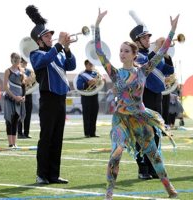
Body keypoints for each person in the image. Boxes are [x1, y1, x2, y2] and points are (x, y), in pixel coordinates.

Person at [95, 9, 179, 199]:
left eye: (126, 51)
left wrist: (172, 30)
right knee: (116, 151)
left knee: (154, 154)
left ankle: (168, 187)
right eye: (120, 51)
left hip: (140, 117)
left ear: (134, 54)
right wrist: (97, 25)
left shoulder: (143, 70)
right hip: (121, 119)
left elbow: (162, 51)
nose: (121, 54)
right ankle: (109, 192)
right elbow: (99, 51)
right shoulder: (114, 73)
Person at [26, 5, 76, 184]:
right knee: (46, 137)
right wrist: (59, 46)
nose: (50, 37)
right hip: (48, 98)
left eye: (50, 35)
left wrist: (67, 49)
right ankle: (42, 174)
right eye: (47, 36)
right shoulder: (36, 54)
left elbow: (71, 66)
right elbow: (45, 60)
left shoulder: (59, 53)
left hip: (61, 99)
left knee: (57, 137)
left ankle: (54, 174)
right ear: (39, 40)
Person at [129, 17, 175, 179]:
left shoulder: (152, 54)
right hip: (143, 97)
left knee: (155, 133)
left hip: (156, 96)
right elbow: (146, 66)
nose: (149, 39)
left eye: (149, 37)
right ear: (137, 41)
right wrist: (159, 49)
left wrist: (167, 54)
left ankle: (153, 167)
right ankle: (143, 169)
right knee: (143, 133)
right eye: (145, 37)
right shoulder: (137, 56)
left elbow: (168, 70)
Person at [3, 52, 26, 148]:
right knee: (9, 120)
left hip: (19, 99)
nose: (17, 61)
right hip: (10, 98)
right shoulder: (7, 71)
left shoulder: (21, 71)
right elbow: (5, 87)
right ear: (11, 60)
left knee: (16, 120)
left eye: (18, 59)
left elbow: (23, 85)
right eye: (15, 59)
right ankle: (10, 143)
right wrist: (14, 96)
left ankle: (15, 143)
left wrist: (23, 96)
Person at [76, 59, 99, 138]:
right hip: (86, 96)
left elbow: (99, 84)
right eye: (89, 64)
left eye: (92, 64)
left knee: (94, 114)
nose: (91, 65)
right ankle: (87, 133)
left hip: (94, 95)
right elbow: (79, 86)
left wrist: (101, 81)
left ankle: (93, 133)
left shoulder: (96, 73)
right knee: (87, 115)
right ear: (85, 65)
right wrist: (87, 83)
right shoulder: (82, 75)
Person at [17, 58, 34, 139]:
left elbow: (33, 82)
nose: (25, 64)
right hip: (20, 94)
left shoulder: (30, 71)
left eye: (26, 62)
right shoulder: (17, 71)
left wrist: (30, 80)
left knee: (28, 114)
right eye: (23, 62)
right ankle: (19, 133)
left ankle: (26, 133)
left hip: (29, 93)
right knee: (21, 114)